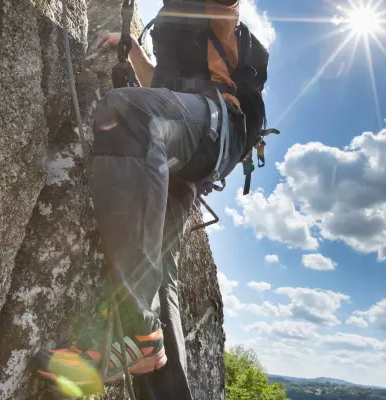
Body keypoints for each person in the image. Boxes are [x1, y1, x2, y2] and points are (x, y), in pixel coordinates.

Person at [35, 1, 275, 398]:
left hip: (212, 125)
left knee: (127, 111)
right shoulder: (174, 29)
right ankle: (154, 367)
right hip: (184, 139)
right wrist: (131, 48)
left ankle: (142, 336)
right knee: (156, 268)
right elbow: (160, 83)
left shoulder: (214, 11)